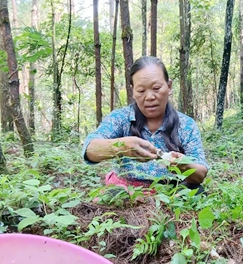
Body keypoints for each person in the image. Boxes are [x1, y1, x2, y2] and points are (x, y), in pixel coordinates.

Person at [82, 56, 209, 194]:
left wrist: (184, 165)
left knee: (197, 191)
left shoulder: (186, 125)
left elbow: (201, 173)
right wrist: (122, 147)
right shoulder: (121, 118)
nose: (149, 97)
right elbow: (89, 149)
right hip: (126, 190)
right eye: (141, 91)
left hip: (171, 192)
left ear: (169, 86)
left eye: (156, 88)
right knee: (113, 194)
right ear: (133, 92)